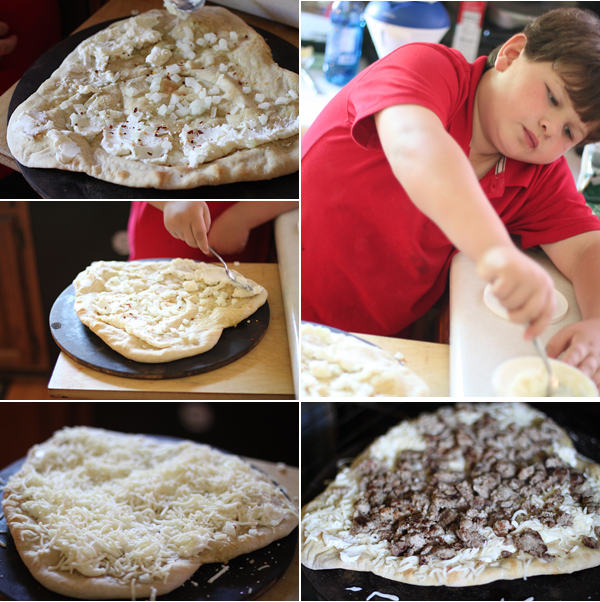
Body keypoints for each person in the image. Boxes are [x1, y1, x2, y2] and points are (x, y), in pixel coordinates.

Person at [301, 7, 600, 385]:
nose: (550, 128)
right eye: (553, 98)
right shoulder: (429, 66)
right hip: (298, 307)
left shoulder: (537, 174)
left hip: (378, 347)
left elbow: (589, 248)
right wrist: (495, 252)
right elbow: (416, 146)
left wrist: (598, 324)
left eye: (570, 133)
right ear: (511, 54)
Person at [128, 201, 298, 263]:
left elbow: (306, 181)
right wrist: (170, 202)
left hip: (242, 229)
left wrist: (244, 215)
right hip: (164, 228)